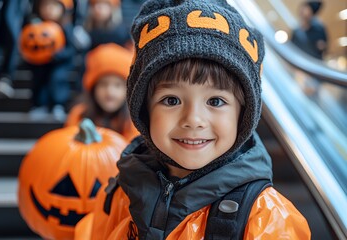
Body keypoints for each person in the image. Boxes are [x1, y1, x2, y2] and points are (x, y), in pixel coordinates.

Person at [79, 0, 311, 239]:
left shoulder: (267, 219)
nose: (193, 120)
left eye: (215, 101)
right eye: (171, 100)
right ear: (144, 110)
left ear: (243, 114)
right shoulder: (123, 190)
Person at [65, 43, 139, 142]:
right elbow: (68, 144)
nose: (110, 92)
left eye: (117, 85)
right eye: (103, 84)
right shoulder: (79, 114)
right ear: (93, 88)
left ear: (128, 90)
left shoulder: (133, 121)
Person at [27, 0, 76, 121]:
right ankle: (39, 104)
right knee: (39, 81)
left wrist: (58, 55)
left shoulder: (65, 27)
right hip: (40, 63)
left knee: (57, 80)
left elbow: (71, 49)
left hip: (59, 63)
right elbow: (27, 44)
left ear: (62, 9)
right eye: (45, 6)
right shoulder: (35, 26)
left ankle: (57, 104)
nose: (49, 9)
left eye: (53, 6)